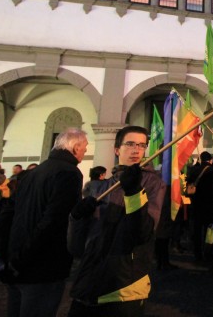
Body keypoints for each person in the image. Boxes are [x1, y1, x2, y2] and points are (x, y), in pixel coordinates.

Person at [67, 125, 165, 316]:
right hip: (88, 283)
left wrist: (133, 192)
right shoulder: (99, 187)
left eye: (142, 145)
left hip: (124, 286)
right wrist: (75, 219)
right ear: (117, 149)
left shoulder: (153, 183)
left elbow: (142, 232)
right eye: (130, 144)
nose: (136, 149)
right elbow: (77, 247)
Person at [0, 128, 86, 317]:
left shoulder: (34, 172)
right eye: (84, 148)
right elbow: (53, 221)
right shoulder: (70, 173)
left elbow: (6, 214)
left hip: (15, 259)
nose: (84, 152)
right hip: (42, 264)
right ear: (75, 148)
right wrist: (21, 258)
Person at [189, 151, 213, 262]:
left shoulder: (194, 170)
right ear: (210, 160)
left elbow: (189, 183)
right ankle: (208, 251)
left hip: (196, 203)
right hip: (209, 204)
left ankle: (197, 253)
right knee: (209, 230)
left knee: (197, 230)